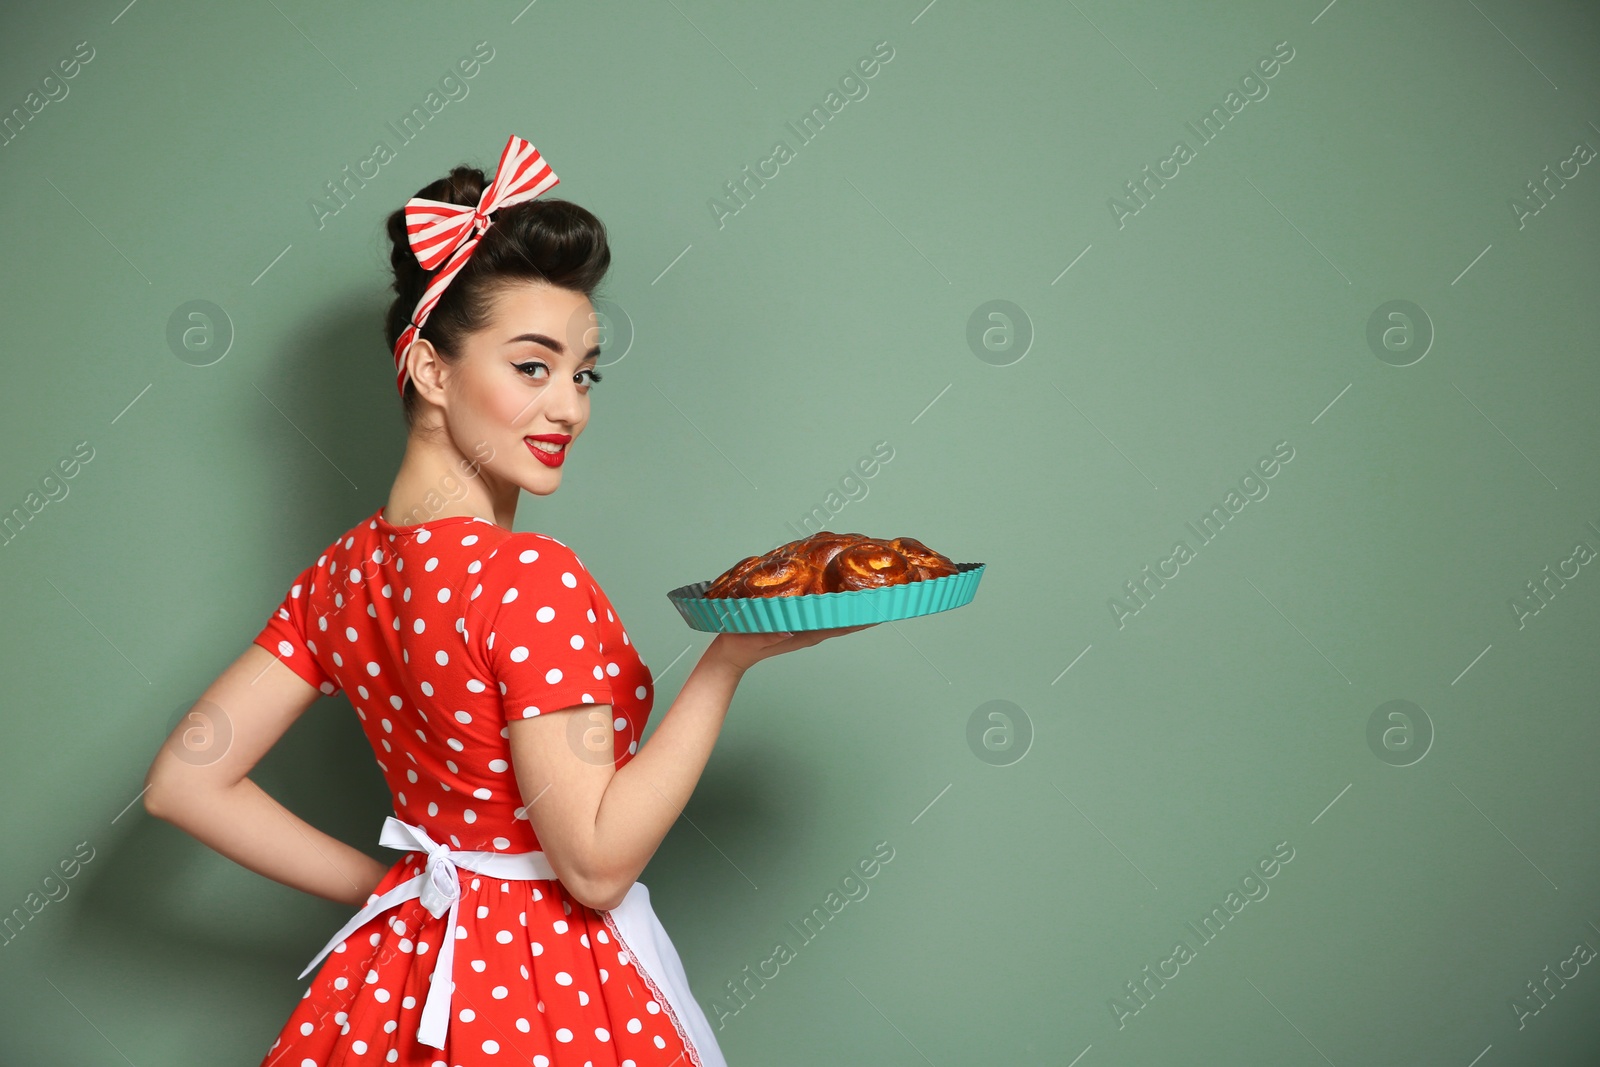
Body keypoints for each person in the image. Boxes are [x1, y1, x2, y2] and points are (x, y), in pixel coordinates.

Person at [142, 134, 870, 1067]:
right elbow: (597, 865)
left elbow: (185, 780)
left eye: (583, 370)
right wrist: (726, 664)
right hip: (546, 989)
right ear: (432, 371)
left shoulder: (344, 574)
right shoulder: (532, 578)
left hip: (399, 971)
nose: (570, 406)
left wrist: (397, 886)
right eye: (533, 366)